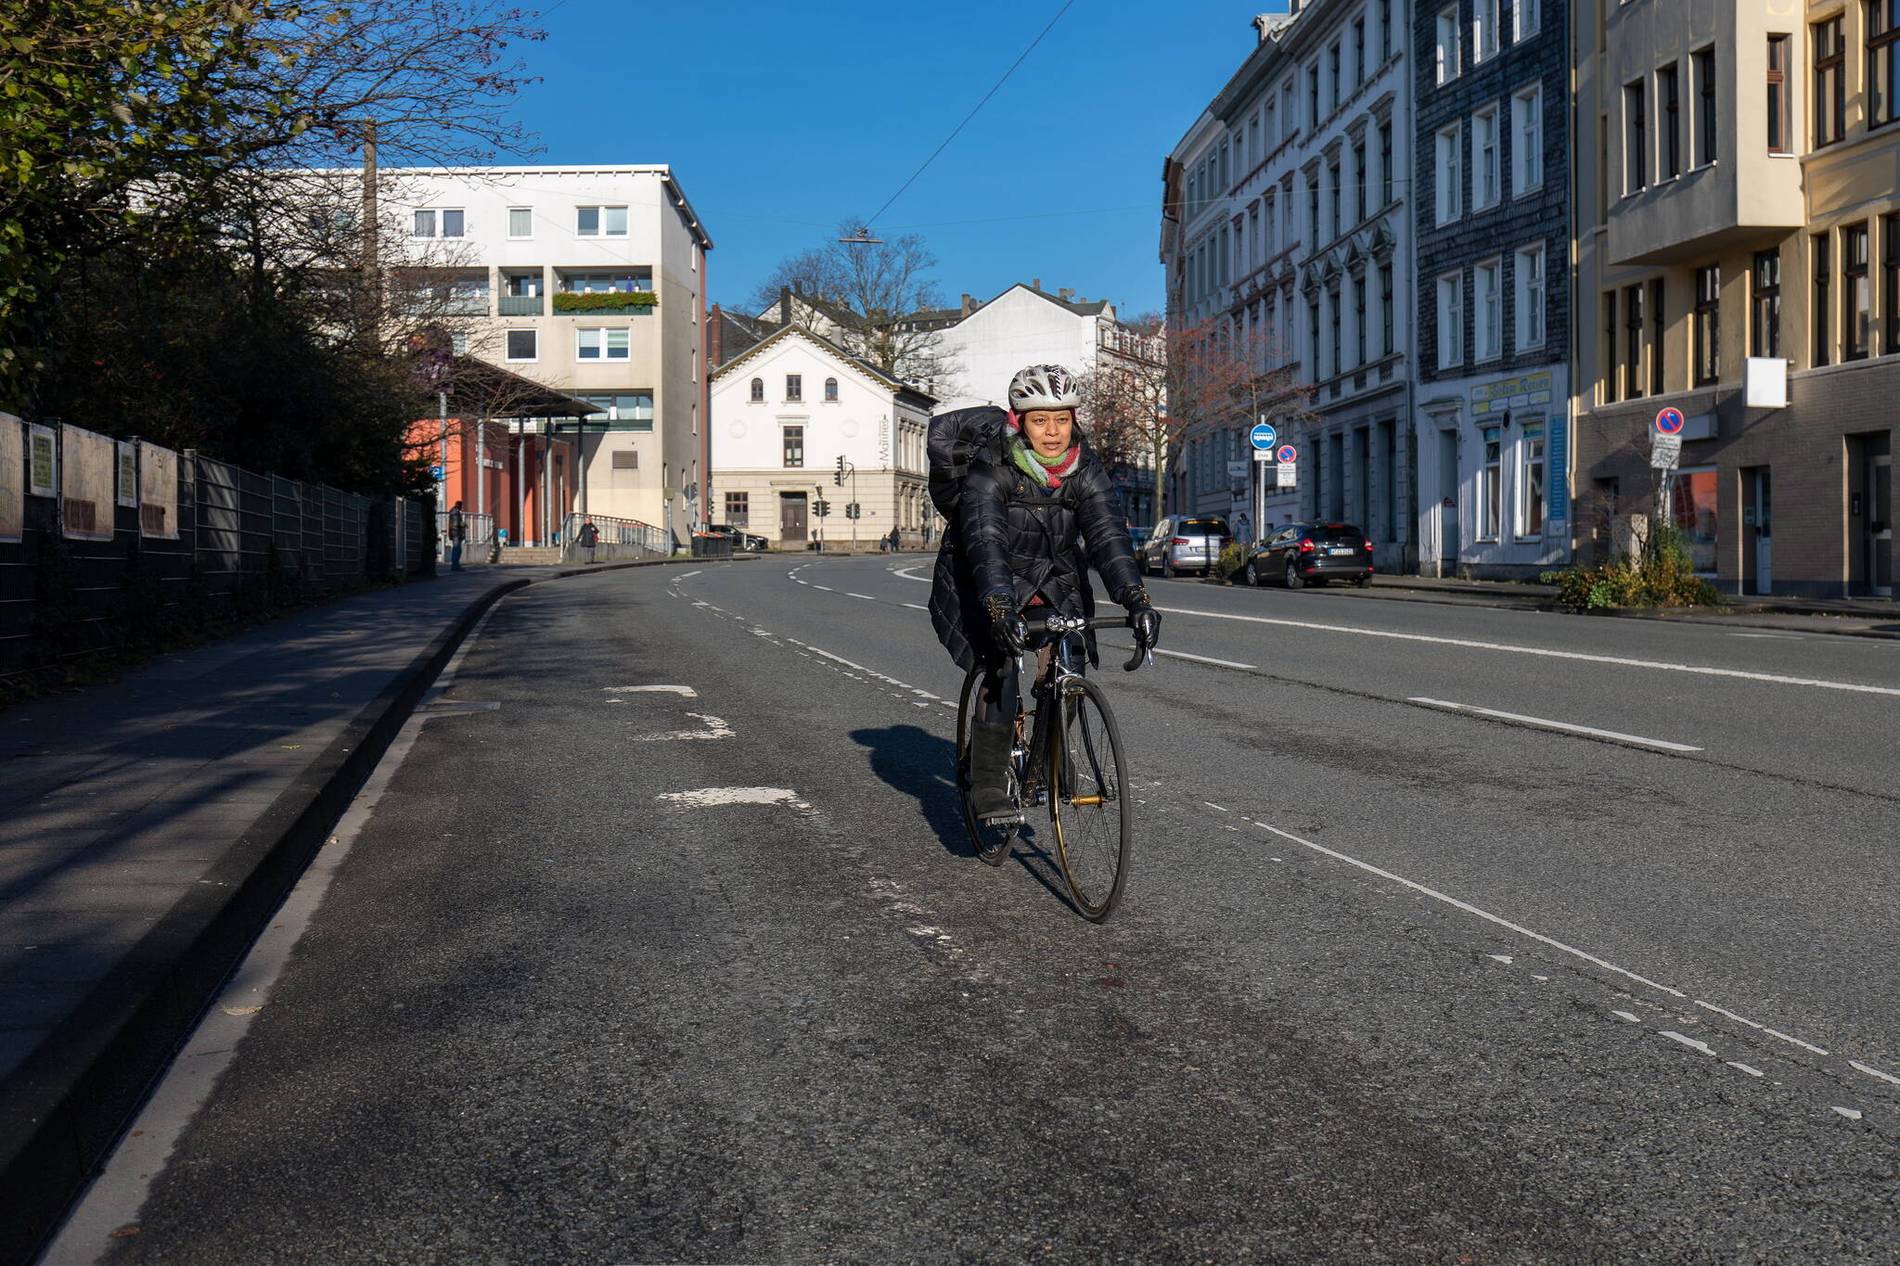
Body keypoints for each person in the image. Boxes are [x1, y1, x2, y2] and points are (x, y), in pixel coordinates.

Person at [930, 364, 1161, 824]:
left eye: (1062, 419)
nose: (1052, 432)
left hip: (1054, 575)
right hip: (983, 576)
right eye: (1039, 420)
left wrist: (1136, 599)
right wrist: (1000, 608)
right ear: (1019, 421)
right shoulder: (990, 469)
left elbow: (1107, 536)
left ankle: (1045, 765)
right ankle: (990, 780)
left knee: (1069, 661)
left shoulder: (1084, 466)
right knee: (1002, 666)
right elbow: (985, 542)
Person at [446, 499, 467, 571]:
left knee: (457, 549)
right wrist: (463, 524)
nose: (462, 508)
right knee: (457, 549)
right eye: (461, 506)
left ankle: (455, 565)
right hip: (456, 533)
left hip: (454, 533)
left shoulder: (453, 511)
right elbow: (456, 524)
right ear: (459, 505)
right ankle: (455, 565)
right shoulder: (456, 512)